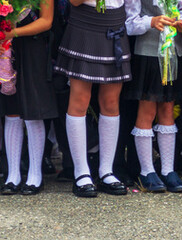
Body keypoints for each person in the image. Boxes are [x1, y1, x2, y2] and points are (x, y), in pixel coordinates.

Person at [56, 0, 139, 197]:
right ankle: (81, 172)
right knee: (79, 101)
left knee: (111, 102)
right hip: (85, 23)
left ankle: (106, 171)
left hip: (116, 24)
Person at [0, 0, 56, 196]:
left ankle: (35, 174)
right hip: (7, 48)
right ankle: (13, 174)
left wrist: (12, 33)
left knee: (34, 109)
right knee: (11, 109)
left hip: (34, 47)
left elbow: (46, 21)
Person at [123, 0, 182, 193]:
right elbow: (130, 23)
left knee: (168, 108)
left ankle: (168, 170)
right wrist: (151, 21)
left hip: (174, 51)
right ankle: (146, 171)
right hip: (148, 51)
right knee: (147, 109)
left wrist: (180, 22)